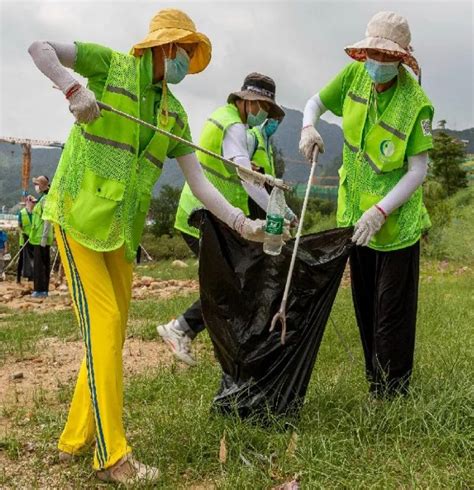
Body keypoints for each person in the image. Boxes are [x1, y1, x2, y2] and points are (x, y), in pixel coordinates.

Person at [29, 8, 270, 484]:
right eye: (183, 50)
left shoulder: (173, 113)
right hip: (76, 217)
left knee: (110, 333)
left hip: (120, 234)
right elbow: (40, 49)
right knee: (107, 323)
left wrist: (243, 223)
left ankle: (74, 438)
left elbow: (200, 184)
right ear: (164, 47)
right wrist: (73, 87)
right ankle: (111, 456)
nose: (185, 62)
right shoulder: (111, 66)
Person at [299, 11, 434, 397]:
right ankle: (374, 382)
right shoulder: (353, 76)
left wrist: (380, 212)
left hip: (394, 222)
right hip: (354, 217)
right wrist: (309, 126)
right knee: (364, 304)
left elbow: (417, 171)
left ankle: (393, 391)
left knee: (391, 309)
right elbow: (314, 103)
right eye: (373, 53)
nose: (376, 63)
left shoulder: (416, 104)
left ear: (401, 58)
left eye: (385, 57)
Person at [158, 74, 293, 365]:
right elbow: (247, 179)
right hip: (204, 216)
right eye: (262, 107)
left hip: (212, 215)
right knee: (229, 285)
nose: (264, 114)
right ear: (247, 102)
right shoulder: (233, 126)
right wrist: (279, 213)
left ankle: (187, 330)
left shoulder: (229, 119)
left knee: (230, 283)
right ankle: (183, 330)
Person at [29, 176, 54, 297]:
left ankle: (40, 290)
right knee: (43, 263)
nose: (36, 187)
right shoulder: (43, 198)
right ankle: (44, 289)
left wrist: (43, 238)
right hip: (39, 237)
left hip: (41, 238)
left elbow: (47, 220)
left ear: (42, 186)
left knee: (40, 265)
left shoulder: (45, 200)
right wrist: (34, 201)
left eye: (37, 184)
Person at [17, 196, 35, 284]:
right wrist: (23, 233)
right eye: (31, 202)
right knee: (21, 258)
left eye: (34, 202)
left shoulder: (35, 213)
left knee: (34, 259)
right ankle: (18, 278)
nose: (33, 204)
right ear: (27, 202)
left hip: (33, 239)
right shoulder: (22, 213)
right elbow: (19, 226)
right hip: (24, 239)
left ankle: (31, 277)